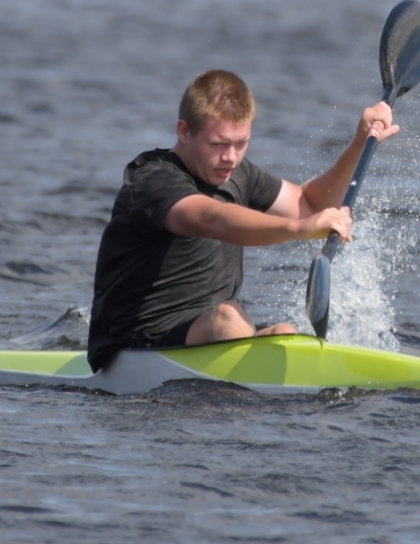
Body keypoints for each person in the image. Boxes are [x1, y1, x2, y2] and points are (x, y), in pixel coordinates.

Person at [86, 69, 396, 372]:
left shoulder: (238, 173)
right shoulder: (152, 179)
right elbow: (211, 218)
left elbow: (310, 203)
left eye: (241, 143)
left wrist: (359, 144)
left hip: (207, 334)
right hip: (133, 346)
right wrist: (298, 229)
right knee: (229, 318)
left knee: (284, 332)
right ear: (184, 132)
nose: (231, 157)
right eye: (218, 144)